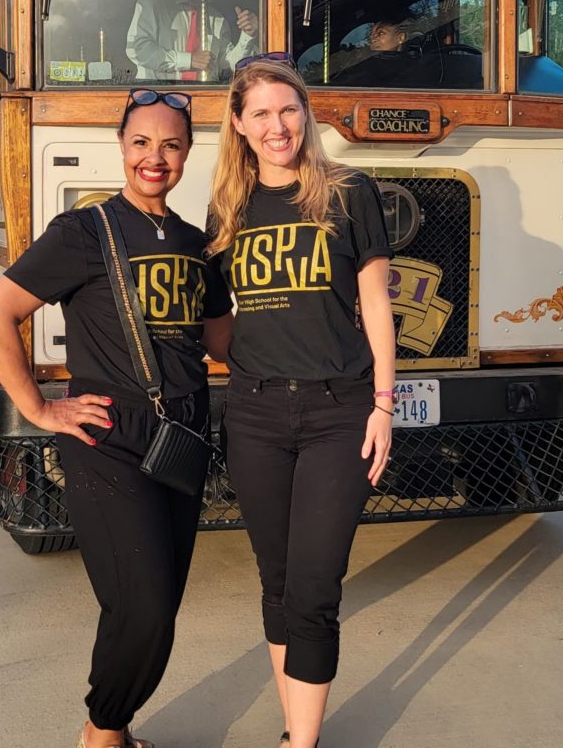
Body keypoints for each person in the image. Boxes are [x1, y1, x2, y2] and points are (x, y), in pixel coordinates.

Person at [0, 88, 234, 748]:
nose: (156, 156)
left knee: (157, 610)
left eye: (171, 144)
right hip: (107, 440)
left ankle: (111, 728)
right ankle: (101, 733)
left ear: (186, 153)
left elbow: (224, 343)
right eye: (142, 142)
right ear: (122, 147)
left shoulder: (198, 245)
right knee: (141, 607)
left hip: (182, 438)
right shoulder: (84, 232)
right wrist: (36, 407)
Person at [206, 56, 396, 748]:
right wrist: (254, 357)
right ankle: (294, 727)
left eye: (288, 109)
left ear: (305, 114)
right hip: (253, 412)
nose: (276, 125)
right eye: (260, 113)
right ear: (239, 124)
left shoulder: (349, 192)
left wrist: (383, 404)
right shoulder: (227, 207)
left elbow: (376, 303)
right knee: (277, 580)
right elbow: (216, 316)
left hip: (338, 410)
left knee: (315, 587)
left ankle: (302, 745)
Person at [125, 0, 259, 82]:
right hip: (158, 101)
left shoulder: (216, 18)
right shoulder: (154, 2)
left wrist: (247, 35)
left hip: (204, 102)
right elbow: (137, 50)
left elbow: (230, 65)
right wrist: (188, 60)